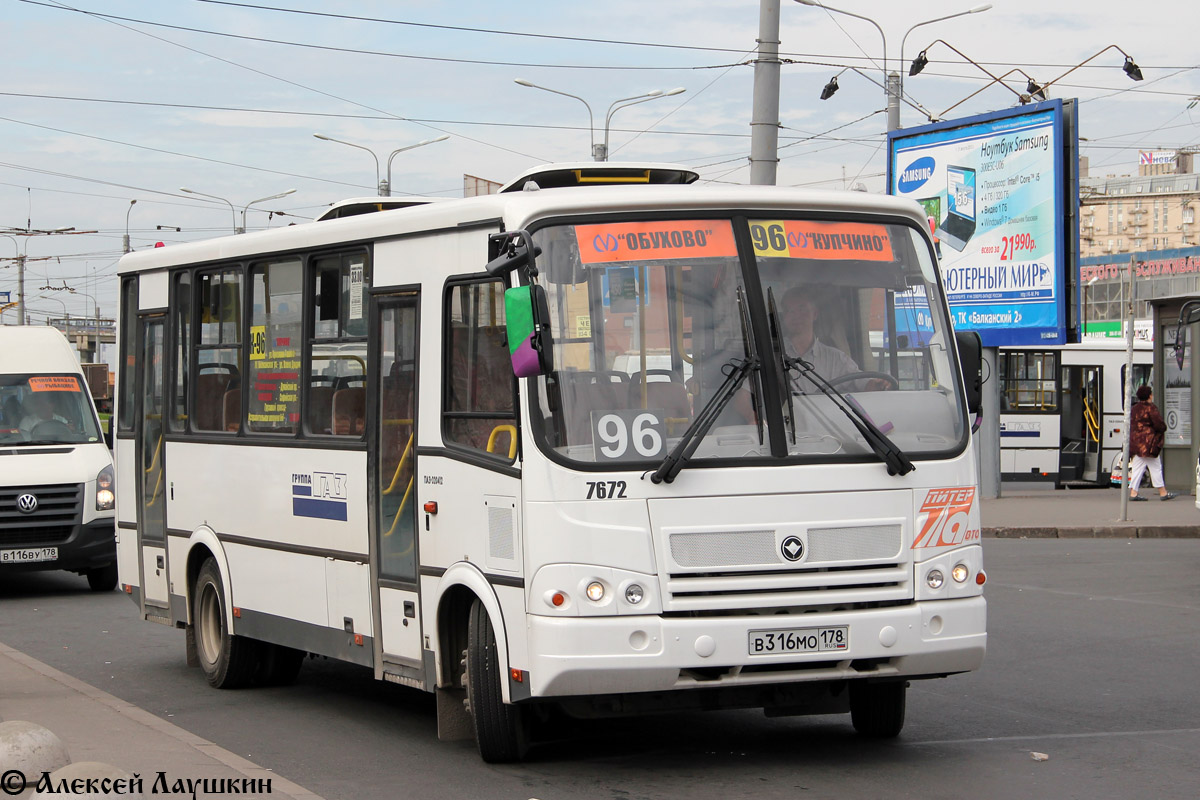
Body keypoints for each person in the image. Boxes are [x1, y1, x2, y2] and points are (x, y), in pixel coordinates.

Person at [779, 286, 889, 393]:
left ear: (815, 314)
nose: (795, 316)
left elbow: (861, 382)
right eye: (789, 311)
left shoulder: (836, 359)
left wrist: (876, 384)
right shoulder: (772, 354)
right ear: (783, 316)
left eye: (801, 309)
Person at [1128, 385, 1175, 501]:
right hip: (1149, 443)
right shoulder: (1151, 408)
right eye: (1151, 393)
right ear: (1149, 395)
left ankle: (1134, 492)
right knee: (1155, 467)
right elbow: (1159, 424)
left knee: (1137, 468)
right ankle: (1163, 493)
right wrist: (1163, 428)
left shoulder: (1134, 408)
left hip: (1137, 443)